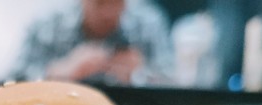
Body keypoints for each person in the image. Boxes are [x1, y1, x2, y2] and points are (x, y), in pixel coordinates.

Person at [11, 0, 173, 85]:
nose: (108, 13)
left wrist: (139, 75)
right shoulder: (47, 24)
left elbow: (175, 86)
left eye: (117, 1)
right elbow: (12, 83)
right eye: (99, 2)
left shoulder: (148, 23)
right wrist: (59, 72)